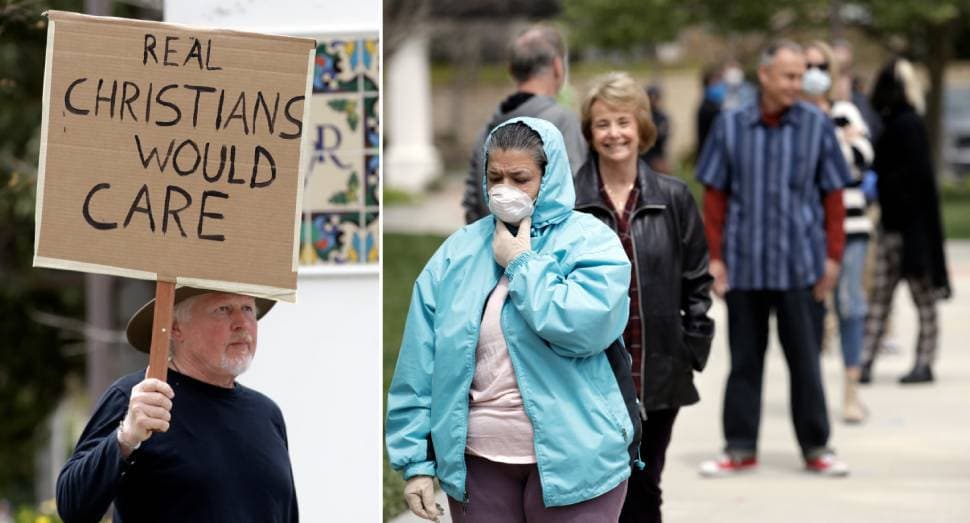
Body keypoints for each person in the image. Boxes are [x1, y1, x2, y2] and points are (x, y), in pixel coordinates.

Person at [387, 117, 639, 522]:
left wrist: (522, 264)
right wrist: (416, 461)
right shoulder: (458, 253)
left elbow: (584, 329)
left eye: (521, 178)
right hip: (478, 465)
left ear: (549, 175)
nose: (505, 189)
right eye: (495, 177)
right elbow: (420, 365)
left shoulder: (591, 242)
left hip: (579, 460)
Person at [695, 41, 852, 477]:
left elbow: (834, 196)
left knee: (806, 361)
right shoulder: (730, 125)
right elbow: (715, 197)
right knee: (744, 361)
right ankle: (740, 447)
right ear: (764, 76)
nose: (796, 85)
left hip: (801, 265)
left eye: (801, 76)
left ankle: (816, 446)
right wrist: (716, 258)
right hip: (745, 265)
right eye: (789, 76)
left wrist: (833, 258)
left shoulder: (816, 125)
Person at [574, 72, 714, 523]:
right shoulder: (568, 201)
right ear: (590, 133)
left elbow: (697, 281)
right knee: (597, 490)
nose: (614, 133)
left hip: (657, 374)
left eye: (623, 121)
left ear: (642, 127)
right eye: (602, 124)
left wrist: (690, 347)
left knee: (645, 485)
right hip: (589, 377)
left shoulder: (673, 198)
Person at [56, 288, 297, 522]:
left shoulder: (267, 414)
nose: (241, 323)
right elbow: (72, 507)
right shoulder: (140, 398)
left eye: (247, 309)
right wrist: (125, 438)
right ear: (175, 328)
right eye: (223, 309)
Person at [860, 58, 952, 385]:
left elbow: (916, 182)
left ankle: (923, 362)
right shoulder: (896, 122)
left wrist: (882, 183)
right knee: (880, 300)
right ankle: (864, 361)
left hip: (911, 231)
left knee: (921, 299)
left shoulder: (908, 124)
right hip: (895, 228)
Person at [801, 41, 875, 423]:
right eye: (807, 66)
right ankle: (813, 396)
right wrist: (835, 144)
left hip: (851, 225)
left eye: (821, 66)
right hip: (807, 231)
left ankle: (851, 391)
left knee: (851, 307)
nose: (814, 73)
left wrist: (832, 142)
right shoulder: (794, 117)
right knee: (810, 313)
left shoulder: (843, 112)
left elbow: (861, 160)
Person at [462, 24, 587, 224]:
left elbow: (471, 204)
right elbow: (578, 197)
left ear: (511, 69)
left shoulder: (488, 128)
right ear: (557, 65)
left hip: (490, 248)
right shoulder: (563, 123)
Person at [640, 84, 671, 174]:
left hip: (657, 156)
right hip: (643, 157)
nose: (653, 100)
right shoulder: (642, 116)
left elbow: (663, 136)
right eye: (651, 97)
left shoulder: (662, 117)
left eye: (656, 97)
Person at [696, 65, 725, 158]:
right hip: (709, 156)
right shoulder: (708, 108)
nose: (720, 84)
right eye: (716, 81)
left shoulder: (714, 105)